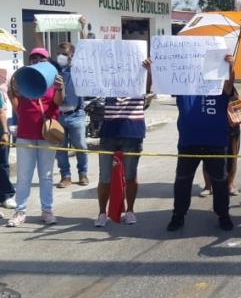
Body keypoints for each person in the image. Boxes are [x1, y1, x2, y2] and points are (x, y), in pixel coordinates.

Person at [167, 55, 236, 232]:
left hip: (216, 142)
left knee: (220, 182)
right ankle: (178, 215)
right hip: (189, 142)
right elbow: (164, 79)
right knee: (182, 181)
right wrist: (152, 68)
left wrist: (230, 66)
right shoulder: (184, 86)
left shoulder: (219, 85)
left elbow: (230, 83)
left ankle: (223, 215)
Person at [6, 47, 64, 227]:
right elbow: (14, 98)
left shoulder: (54, 81)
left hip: (46, 135)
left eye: (41, 58)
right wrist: (16, 102)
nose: (36, 60)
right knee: (24, 176)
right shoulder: (24, 78)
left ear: (47, 61)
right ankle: (20, 211)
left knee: (46, 175)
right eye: (33, 58)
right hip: (25, 135)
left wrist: (60, 88)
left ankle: (47, 211)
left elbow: (58, 103)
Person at [93, 58, 152, 227]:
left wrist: (148, 70)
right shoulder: (109, 82)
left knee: (130, 176)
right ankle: (102, 213)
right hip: (109, 133)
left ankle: (130, 211)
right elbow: (93, 79)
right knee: (104, 177)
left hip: (132, 133)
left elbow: (147, 86)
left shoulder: (139, 82)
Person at [55, 36, 89, 188]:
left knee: (81, 146)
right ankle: (65, 176)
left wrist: (82, 28)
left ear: (72, 55)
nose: (61, 56)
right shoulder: (55, 70)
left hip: (76, 115)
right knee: (61, 149)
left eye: (64, 53)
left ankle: (83, 174)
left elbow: (86, 49)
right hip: (58, 116)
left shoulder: (80, 69)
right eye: (59, 53)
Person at [0, 89, 16, 214]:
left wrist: (5, 132)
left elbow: (1, 112)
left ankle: (6, 196)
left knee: (3, 166)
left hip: (1, 135)